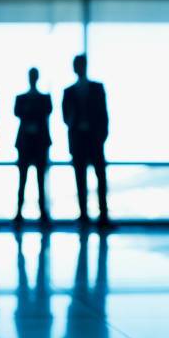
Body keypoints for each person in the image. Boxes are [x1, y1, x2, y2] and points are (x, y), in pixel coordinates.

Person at [62, 54, 109, 226]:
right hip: (79, 141)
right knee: (81, 179)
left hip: (94, 140)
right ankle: (84, 216)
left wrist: (102, 136)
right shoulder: (69, 92)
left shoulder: (97, 88)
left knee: (99, 178)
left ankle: (102, 216)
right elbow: (66, 117)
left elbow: (104, 114)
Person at [14, 68, 52, 225]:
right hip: (31, 143)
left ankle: (26, 214)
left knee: (36, 180)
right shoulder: (40, 99)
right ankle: (25, 214)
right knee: (25, 180)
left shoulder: (25, 99)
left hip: (34, 143)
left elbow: (20, 112)